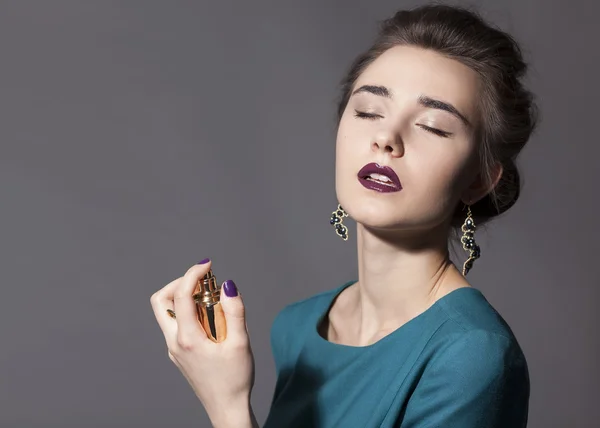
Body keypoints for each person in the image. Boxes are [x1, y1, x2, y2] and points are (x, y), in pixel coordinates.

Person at [150, 3, 539, 427]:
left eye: (432, 126)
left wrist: (226, 404)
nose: (386, 138)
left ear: (479, 180)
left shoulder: (472, 355)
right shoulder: (296, 328)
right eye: (369, 112)